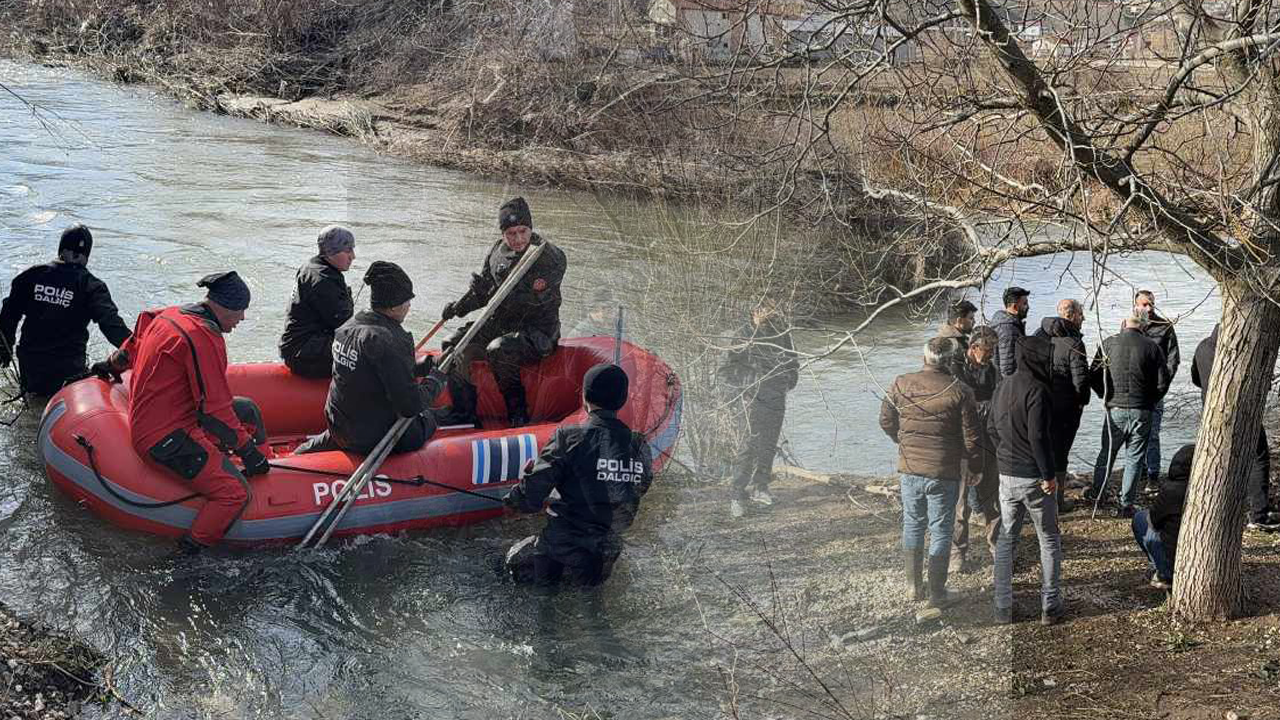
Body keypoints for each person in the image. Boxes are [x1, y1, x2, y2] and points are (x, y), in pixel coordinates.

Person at [91, 271, 269, 553]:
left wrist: (110, 365)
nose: (242, 318)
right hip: (164, 437)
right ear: (224, 307)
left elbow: (131, 347)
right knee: (233, 494)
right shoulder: (202, 337)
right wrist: (247, 451)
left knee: (246, 409)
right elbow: (214, 410)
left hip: (166, 415)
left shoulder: (168, 315)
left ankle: (269, 469)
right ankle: (189, 555)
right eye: (240, 311)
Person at [503, 363, 653, 587]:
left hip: (560, 547)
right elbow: (637, 487)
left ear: (584, 396)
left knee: (512, 561)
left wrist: (515, 498)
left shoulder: (569, 437)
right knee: (589, 595)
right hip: (606, 551)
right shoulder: (639, 445)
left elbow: (530, 497)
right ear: (622, 400)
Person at [439, 197, 568, 428]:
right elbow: (484, 295)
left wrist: (490, 292)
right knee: (452, 343)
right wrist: (459, 307)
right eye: (511, 233)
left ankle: (518, 414)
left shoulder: (550, 257)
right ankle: (464, 412)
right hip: (501, 323)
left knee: (500, 349)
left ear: (531, 228)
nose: (518, 239)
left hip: (538, 330)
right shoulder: (496, 252)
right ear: (502, 233)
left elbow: (532, 302)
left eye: (523, 231)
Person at [294, 261, 438, 456]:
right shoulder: (389, 339)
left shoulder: (347, 327)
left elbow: (369, 370)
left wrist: (417, 367)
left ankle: (296, 455)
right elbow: (410, 406)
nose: (409, 305)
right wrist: (436, 380)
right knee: (429, 418)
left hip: (339, 427)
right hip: (371, 438)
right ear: (393, 307)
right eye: (407, 300)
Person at [879, 337, 981, 611]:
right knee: (941, 529)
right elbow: (972, 438)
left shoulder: (901, 383)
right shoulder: (960, 390)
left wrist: (904, 441)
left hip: (910, 467)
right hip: (943, 469)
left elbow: (886, 421)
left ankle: (914, 587)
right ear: (951, 361)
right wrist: (976, 467)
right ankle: (938, 593)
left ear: (924, 358)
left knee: (913, 523)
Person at [0, 225, 131, 396]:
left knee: (32, 398)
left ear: (61, 250)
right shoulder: (91, 286)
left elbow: (8, 317)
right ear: (86, 256)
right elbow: (113, 327)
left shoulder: (30, 276)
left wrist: (5, 352)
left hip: (30, 369)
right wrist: (135, 352)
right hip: (69, 374)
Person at [989, 336, 1064, 625]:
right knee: (1049, 539)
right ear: (1038, 360)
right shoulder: (1038, 390)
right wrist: (1048, 475)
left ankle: (1002, 606)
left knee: (1006, 540)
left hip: (1006, 475)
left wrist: (1003, 455)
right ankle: (1050, 605)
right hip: (1034, 478)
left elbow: (991, 427)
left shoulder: (1002, 385)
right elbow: (1038, 436)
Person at [1190, 324, 1280, 531]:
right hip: (1243, 412)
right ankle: (1258, 514)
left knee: (1217, 460)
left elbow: (1196, 378)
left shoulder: (1202, 347)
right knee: (1258, 458)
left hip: (1211, 412)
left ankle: (1212, 509)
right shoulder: (1239, 349)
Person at [1084, 314, 1170, 518]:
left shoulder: (1109, 344)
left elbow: (1093, 375)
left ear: (1123, 325)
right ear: (1143, 328)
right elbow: (1163, 382)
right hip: (1142, 410)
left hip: (1115, 408)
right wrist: (1150, 401)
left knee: (1107, 454)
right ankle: (1127, 504)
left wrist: (1105, 395)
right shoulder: (1151, 347)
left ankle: (1098, 495)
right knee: (1135, 458)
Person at [719, 300, 799, 518]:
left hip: (776, 397)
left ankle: (761, 487)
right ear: (754, 311)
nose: (770, 313)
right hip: (750, 399)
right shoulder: (741, 335)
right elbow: (725, 371)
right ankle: (737, 494)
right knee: (748, 445)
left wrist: (788, 382)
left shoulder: (780, 333)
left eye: (772, 309)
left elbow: (792, 362)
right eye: (765, 309)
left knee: (768, 445)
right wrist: (743, 391)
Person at [949, 326, 1001, 573]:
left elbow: (996, 403)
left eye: (993, 351)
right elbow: (959, 405)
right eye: (988, 351)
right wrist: (984, 407)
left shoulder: (993, 372)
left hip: (989, 443)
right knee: (960, 506)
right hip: (962, 446)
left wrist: (982, 407)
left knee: (993, 502)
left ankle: (998, 550)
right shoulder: (955, 369)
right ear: (973, 347)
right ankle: (957, 554)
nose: (991, 356)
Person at [1033, 298, 1090, 512]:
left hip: (1042, 403)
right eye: (1081, 314)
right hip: (1066, 407)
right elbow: (1080, 381)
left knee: (1042, 448)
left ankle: (1040, 497)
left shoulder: (1040, 336)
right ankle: (1057, 500)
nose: (1083, 318)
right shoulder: (1074, 344)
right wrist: (1082, 401)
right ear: (1071, 315)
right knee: (1060, 453)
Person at [279, 226, 356, 378]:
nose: (353, 256)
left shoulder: (311, 266)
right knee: (362, 350)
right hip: (305, 354)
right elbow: (344, 324)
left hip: (295, 347)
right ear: (332, 251)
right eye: (348, 250)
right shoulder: (323, 279)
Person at [1134, 290, 1180, 491]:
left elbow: (1173, 359)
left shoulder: (1164, 327)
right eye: (1144, 304)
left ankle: (1153, 474)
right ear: (1136, 305)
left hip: (1155, 389)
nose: (1149, 308)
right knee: (1135, 434)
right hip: (1134, 389)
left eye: (1151, 304)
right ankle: (1140, 471)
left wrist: (1162, 385)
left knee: (1152, 434)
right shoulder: (1130, 325)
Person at [1132, 444, 1193, 591]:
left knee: (1140, 518)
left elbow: (1152, 522)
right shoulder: (1211, 490)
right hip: (1196, 559)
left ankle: (1161, 571)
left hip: (1174, 563)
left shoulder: (1171, 490)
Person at [991, 286, 1030, 377]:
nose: (1028, 307)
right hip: (1008, 381)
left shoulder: (1006, 322)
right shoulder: (1008, 329)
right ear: (1015, 306)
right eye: (1025, 303)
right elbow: (1007, 368)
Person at [937, 299, 977, 379]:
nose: (974, 322)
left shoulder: (942, 336)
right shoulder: (956, 346)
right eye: (971, 318)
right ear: (959, 320)